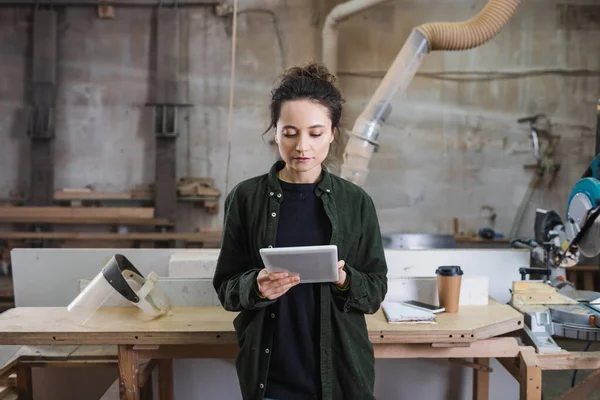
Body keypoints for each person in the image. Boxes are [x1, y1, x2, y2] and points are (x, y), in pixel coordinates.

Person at [212, 61, 388, 400]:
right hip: (270, 374)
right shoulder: (246, 198)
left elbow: (376, 290)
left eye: (316, 133)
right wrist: (257, 287)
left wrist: (345, 279)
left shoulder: (356, 202)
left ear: (334, 133)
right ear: (275, 132)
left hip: (341, 373)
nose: (302, 147)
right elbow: (227, 287)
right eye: (289, 133)